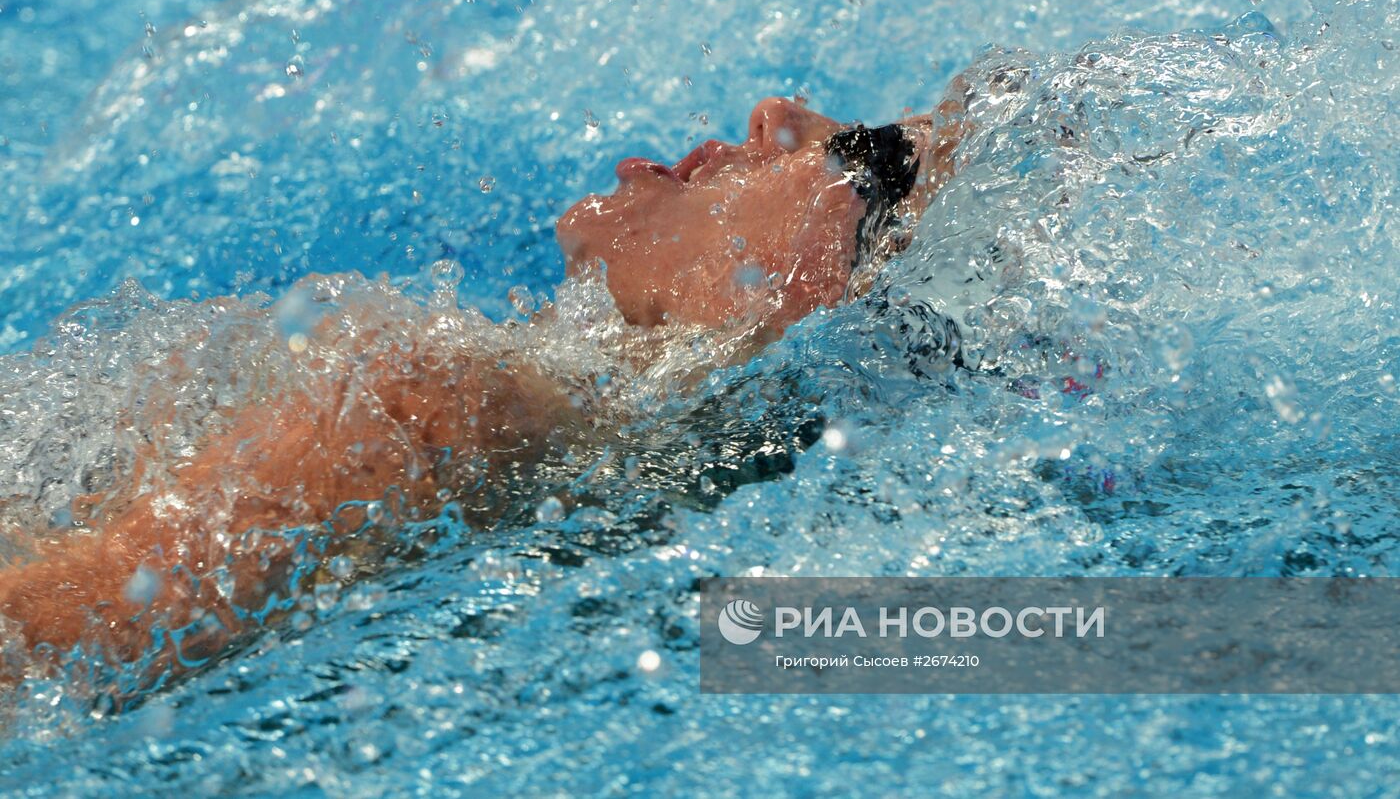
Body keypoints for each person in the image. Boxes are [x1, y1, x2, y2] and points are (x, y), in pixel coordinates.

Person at [0, 94, 966, 694]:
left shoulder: (449, 403)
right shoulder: (561, 445)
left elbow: (47, 641)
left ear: (812, 286)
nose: (777, 113)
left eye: (864, 151)